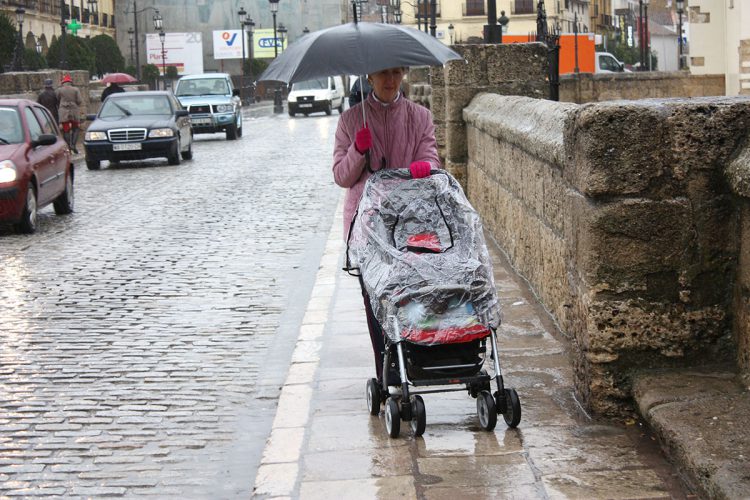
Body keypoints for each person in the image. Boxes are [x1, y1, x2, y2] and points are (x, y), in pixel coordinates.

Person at [332, 66, 440, 385]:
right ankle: (387, 366)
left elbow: (430, 158)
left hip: (408, 221)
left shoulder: (420, 117)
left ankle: (410, 360)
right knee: (375, 301)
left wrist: (425, 167)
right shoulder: (350, 121)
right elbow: (341, 176)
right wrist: (357, 150)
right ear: (369, 77)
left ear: (404, 73)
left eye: (396, 72)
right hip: (366, 226)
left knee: (408, 293)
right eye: (382, 74)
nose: (390, 80)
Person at [56, 74, 83, 154]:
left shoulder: (59, 90)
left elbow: (57, 99)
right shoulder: (76, 89)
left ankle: (68, 147)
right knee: (76, 128)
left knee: (66, 129)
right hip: (74, 110)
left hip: (64, 111)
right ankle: (73, 145)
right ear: (70, 82)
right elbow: (79, 101)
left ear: (63, 82)